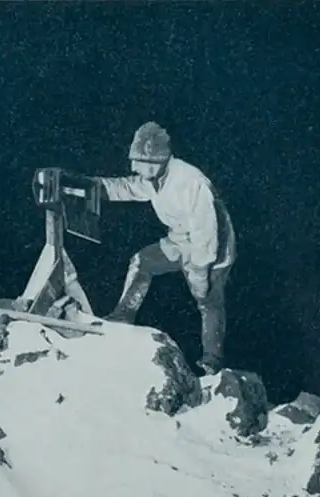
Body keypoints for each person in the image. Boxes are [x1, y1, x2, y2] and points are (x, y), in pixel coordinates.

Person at [92, 121, 236, 374]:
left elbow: (207, 233)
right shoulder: (153, 178)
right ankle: (123, 314)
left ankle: (212, 361)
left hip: (213, 252)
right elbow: (126, 187)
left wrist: (200, 273)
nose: (133, 166)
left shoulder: (191, 182)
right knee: (142, 261)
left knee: (207, 300)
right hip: (181, 241)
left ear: (155, 159)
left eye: (137, 161)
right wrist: (93, 186)